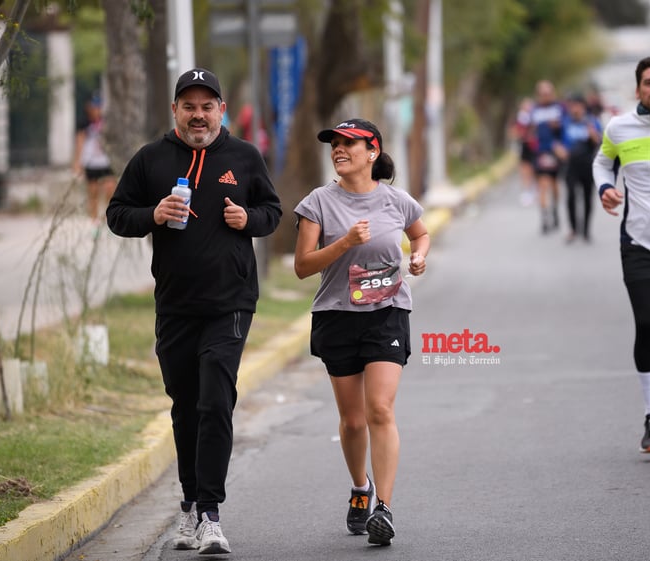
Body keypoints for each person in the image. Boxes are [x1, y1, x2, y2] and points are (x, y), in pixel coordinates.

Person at [106, 68, 282, 554]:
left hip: (231, 302)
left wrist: (249, 219)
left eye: (208, 106)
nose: (199, 114)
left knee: (214, 402)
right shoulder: (151, 159)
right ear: (176, 111)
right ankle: (188, 507)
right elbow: (117, 214)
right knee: (185, 406)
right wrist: (153, 215)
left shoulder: (244, 157)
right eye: (190, 106)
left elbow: (273, 211)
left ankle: (210, 513)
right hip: (176, 305)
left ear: (221, 110)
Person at [293, 119, 429, 546]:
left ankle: (383, 509)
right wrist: (345, 243)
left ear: (372, 152)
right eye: (334, 143)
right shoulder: (317, 203)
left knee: (380, 411)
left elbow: (420, 234)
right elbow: (303, 266)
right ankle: (360, 488)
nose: (339, 149)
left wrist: (420, 256)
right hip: (337, 315)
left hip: (386, 313)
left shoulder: (396, 201)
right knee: (353, 422)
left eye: (349, 143)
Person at [593, 55, 650, 453]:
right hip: (639, 242)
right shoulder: (620, 127)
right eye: (649, 82)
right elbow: (602, 162)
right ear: (639, 87)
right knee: (647, 324)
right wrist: (605, 188)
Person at [560, 94, 602, 243]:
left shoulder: (592, 122)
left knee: (587, 198)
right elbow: (557, 140)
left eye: (578, 106)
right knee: (571, 196)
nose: (575, 109)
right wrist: (559, 149)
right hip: (570, 165)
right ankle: (573, 229)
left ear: (583, 107)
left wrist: (593, 135)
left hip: (587, 164)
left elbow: (600, 142)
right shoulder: (565, 122)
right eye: (573, 106)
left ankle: (586, 230)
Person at [530, 80, 566, 233]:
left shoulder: (559, 108)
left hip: (556, 151)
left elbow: (567, 126)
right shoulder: (534, 110)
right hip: (541, 152)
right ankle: (544, 218)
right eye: (543, 93)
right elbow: (529, 130)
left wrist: (559, 130)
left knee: (554, 185)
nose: (546, 96)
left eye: (548, 93)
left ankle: (555, 210)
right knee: (543, 185)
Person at [73, 94, 116, 222]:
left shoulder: (105, 122)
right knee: (93, 193)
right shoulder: (83, 124)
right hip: (90, 163)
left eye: (98, 107)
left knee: (111, 188)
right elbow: (79, 143)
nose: (97, 109)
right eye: (94, 107)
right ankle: (94, 220)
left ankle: (106, 216)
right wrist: (77, 163)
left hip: (104, 161)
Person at [510, 97, 537, 206]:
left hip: (534, 147)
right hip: (523, 146)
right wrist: (520, 134)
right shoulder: (518, 118)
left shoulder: (534, 117)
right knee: (524, 169)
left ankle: (533, 188)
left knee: (533, 169)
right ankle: (526, 192)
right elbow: (513, 132)